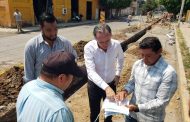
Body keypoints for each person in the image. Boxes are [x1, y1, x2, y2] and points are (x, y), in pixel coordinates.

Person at [116, 37, 177, 122]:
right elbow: (132, 83)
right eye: (142, 55)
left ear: (159, 51)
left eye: (148, 56)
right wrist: (125, 91)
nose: (144, 59)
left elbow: (161, 102)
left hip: (151, 118)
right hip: (132, 115)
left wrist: (137, 107)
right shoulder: (138, 64)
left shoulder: (168, 73)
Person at [17, 51, 86, 122]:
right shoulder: (59, 112)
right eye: (73, 76)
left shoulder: (27, 87)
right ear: (61, 78)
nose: (72, 80)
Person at [84, 23, 124, 122]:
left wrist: (118, 73)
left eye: (107, 41)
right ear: (95, 38)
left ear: (111, 35)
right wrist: (106, 88)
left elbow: (121, 58)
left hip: (111, 82)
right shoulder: (89, 48)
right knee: (94, 111)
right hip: (94, 85)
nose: (105, 45)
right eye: (101, 42)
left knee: (109, 111)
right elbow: (91, 71)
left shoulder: (116, 45)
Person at [24, 13, 77, 83]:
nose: (53, 33)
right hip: (41, 90)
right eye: (48, 30)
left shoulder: (65, 43)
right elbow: (29, 76)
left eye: (55, 29)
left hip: (62, 89)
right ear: (41, 28)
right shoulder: (31, 46)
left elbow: (74, 59)